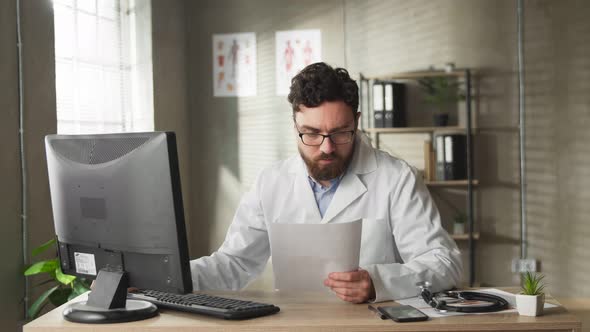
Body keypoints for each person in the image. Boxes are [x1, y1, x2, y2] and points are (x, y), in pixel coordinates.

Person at [190, 62, 462, 303]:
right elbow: (234, 263)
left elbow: (444, 262)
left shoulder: (397, 177)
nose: (327, 148)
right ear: (294, 125)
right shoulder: (270, 182)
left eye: (340, 133)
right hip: (293, 323)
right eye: (311, 133)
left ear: (356, 121)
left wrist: (379, 281)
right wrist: (170, 276)